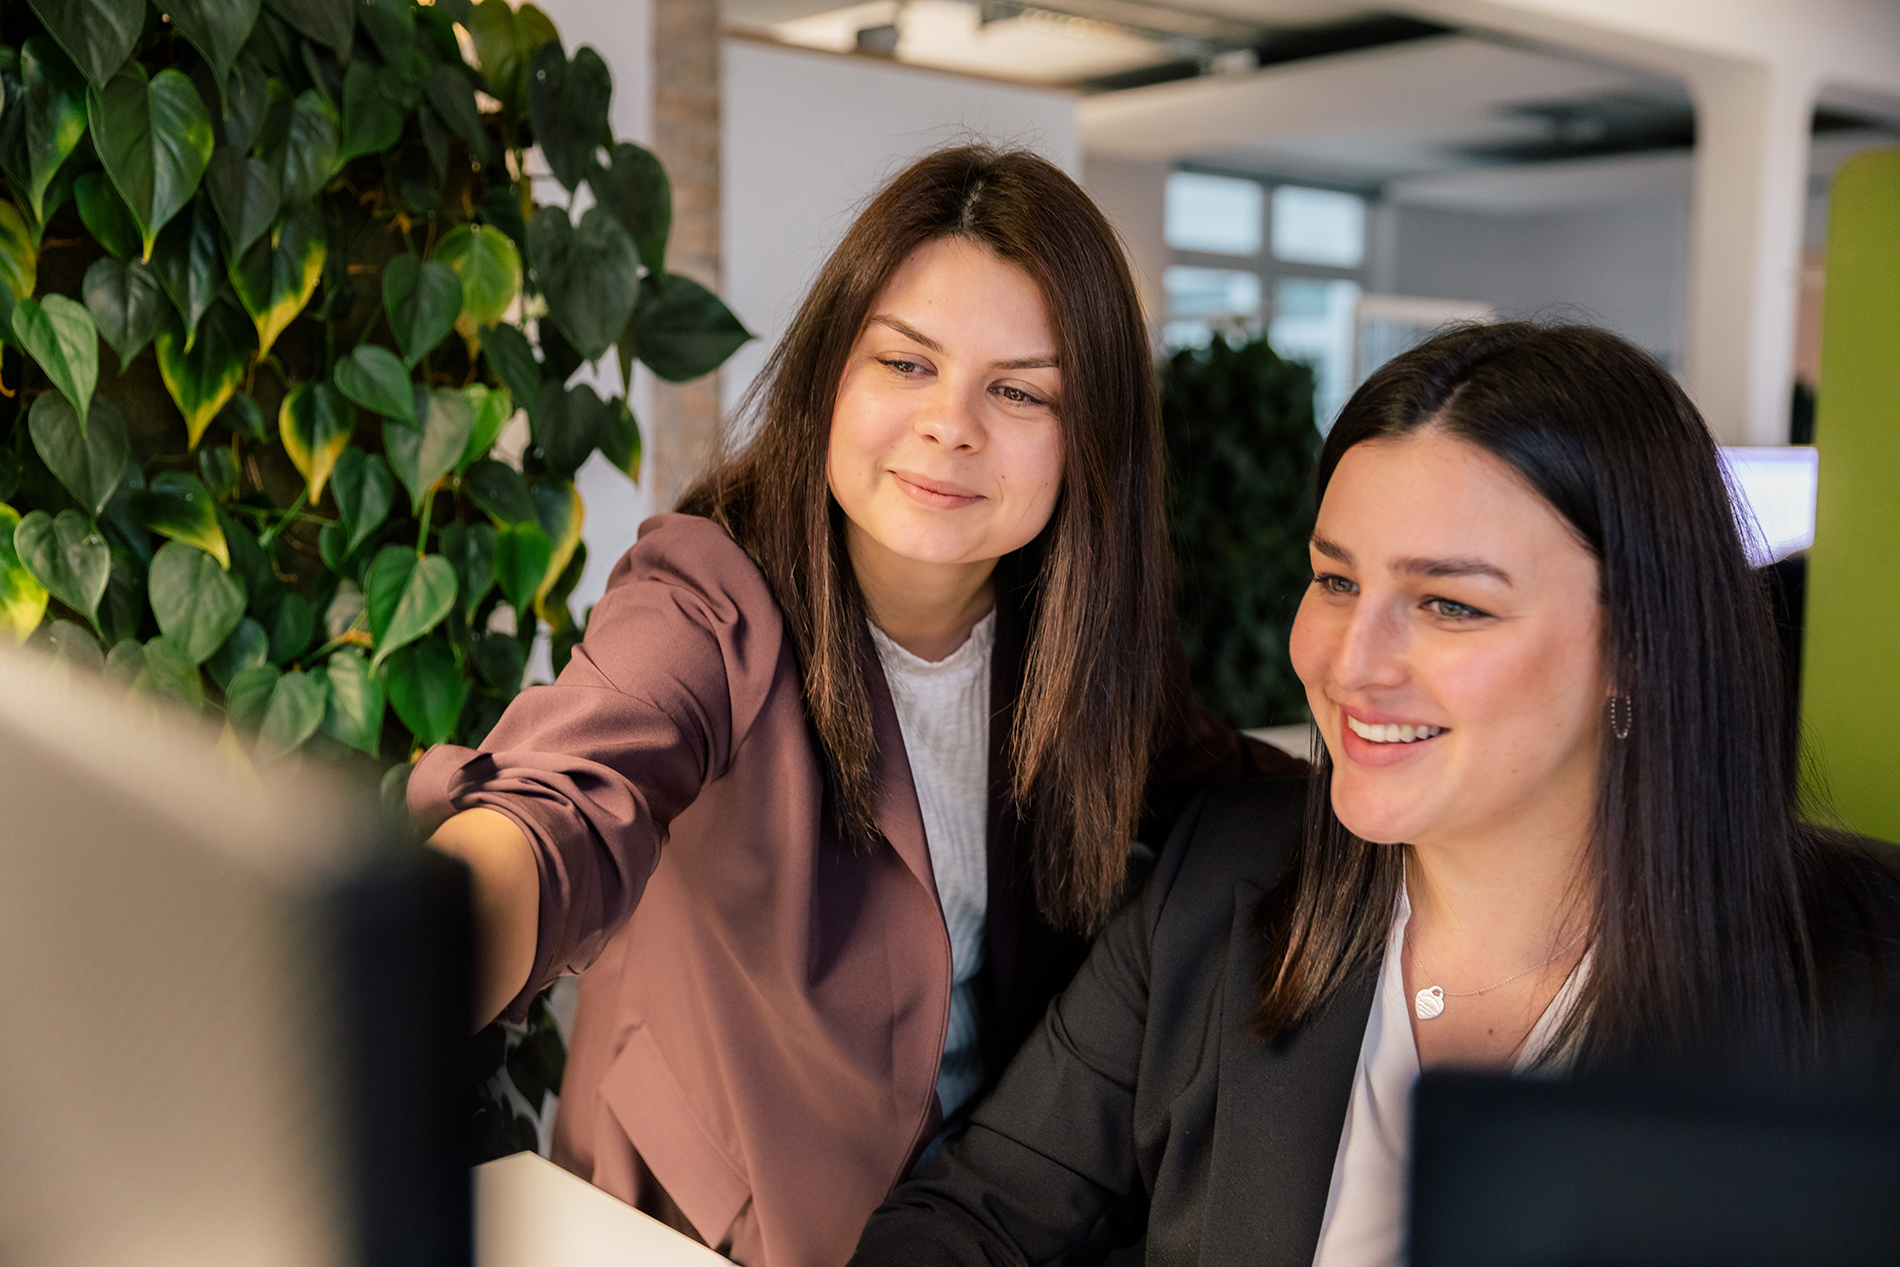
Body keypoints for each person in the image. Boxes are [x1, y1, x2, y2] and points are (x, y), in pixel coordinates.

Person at [409, 145, 1300, 1267]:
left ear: (1091, 442)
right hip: (721, 1228)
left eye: (1019, 390)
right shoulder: (707, 593)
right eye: (906, 365)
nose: (950, 426)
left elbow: (1225, 785)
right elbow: (566, 805)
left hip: (991, 1226)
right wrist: (394, 976)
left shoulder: (1077, 637)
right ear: (832, 369)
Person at [847, 322, 1900, 1267]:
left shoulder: (1864, 976)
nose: (1351, 662)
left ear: (1638, 646)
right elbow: (976, 1216)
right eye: (1338, 580)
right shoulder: (1220, 889)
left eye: (1448, 604)